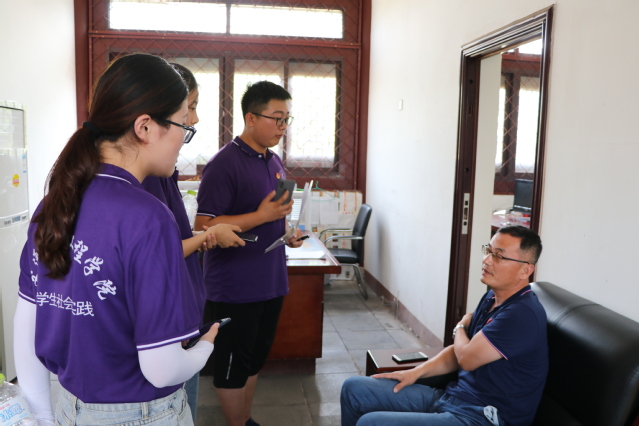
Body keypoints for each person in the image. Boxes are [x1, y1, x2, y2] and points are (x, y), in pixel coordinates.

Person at [14, 53, 219, 426]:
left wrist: (43, 416)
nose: (183, 138)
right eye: (182, 126)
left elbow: (26, 328)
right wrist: (205, 347)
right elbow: (161, 368)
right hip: (142, 413)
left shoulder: (54, 203)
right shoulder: (148, 216)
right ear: (145, 127)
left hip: (70, 408)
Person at [341, 225, 548, 426]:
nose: (486, 260)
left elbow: (466, 358)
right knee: (354, 389)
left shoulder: (521, 314)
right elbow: (457, 353)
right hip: (453, 397)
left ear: (526, 270)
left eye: (499, 256)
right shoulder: (492, 298)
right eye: (488, 251)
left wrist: (460, 327)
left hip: (482, 416)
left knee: (371, 423)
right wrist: (414, 373)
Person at [194, 80, 304, 426]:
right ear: (251, 118)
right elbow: (203, 226)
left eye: (287, 119)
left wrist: (288, 234)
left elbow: (274, 216)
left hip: (271, 280)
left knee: (253, 360)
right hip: (235, 287)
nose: (282, 127)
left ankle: (244, 419)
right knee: (231, 365)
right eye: (276, 118)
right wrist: (261, 216)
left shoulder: (273, 161)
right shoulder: (223, 164)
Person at [141, 63, 244, 422]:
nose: (195, 120)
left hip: (179, 319)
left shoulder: (162, 172)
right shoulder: (145, 179)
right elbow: (159, 253)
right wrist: (208, 235)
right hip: (166, 332)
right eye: (190, 108)